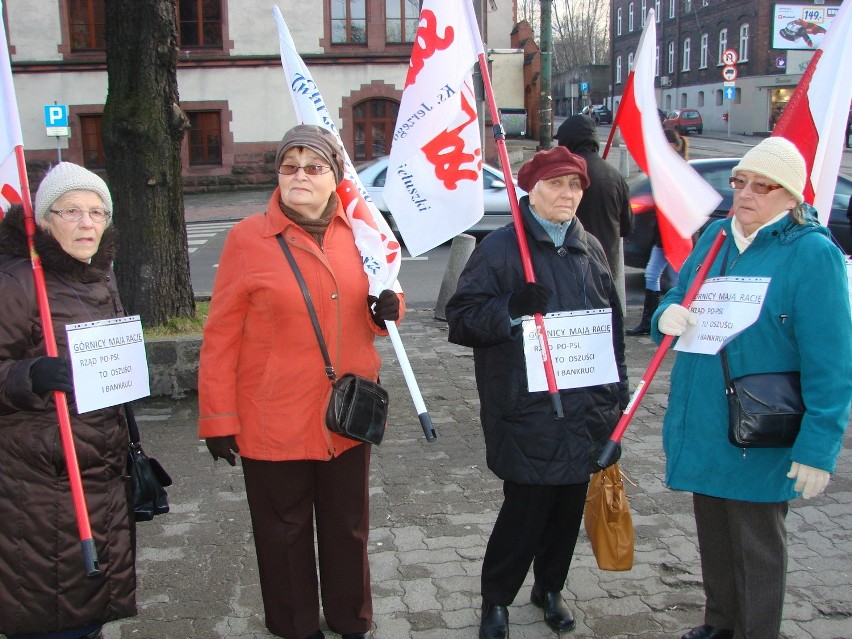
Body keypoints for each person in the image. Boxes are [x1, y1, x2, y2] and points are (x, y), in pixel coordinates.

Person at [198, 124, 402, 639]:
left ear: (335, 177)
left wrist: (386, 313)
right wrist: (218, 418)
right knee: (282, 532)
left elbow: (373, 315)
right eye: (290, 167)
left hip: (346, 413)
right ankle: (295, 627)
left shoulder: (361, 234)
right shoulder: (248, 238)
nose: (300, 176)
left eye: (314, 167)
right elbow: (220, 337)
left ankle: (351, 619)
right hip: (272, 418)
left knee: (348, 528)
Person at [651, 137, 852, 639]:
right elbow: (680, 291)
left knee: (757, 544)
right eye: (740, 182)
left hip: (760, 425)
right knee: (715, 530)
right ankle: (720, 623)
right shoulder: (717, 236)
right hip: (703, 418)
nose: (745, 194)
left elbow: (831, 362)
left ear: (791, 196)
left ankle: (756, 631)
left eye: (762, 186)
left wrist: (819, 447)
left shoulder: (812, 255)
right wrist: (664, 313)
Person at [445, 146, 629, 639]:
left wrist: (619, 400)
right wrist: (510, 307)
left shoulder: (588, 247)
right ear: (532, 188)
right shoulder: (502, 249)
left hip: (584, 407)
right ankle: (496, 598)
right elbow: (461, 319)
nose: (567, 194)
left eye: (575, 186)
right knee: (525, 510)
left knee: (567, 509)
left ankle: (549, 588)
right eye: (556, 184)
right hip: (526, 407)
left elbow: (609, 328)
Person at [0, 163, 136, 639]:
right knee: (50, 612)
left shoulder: (100, 278)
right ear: (44, 219)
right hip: (42, 483)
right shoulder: (17, 282)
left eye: (97, 212)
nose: (86, 223)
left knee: (90, 606)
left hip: (99, 471)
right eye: (71, 211)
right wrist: (27, 375)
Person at [554, 114, 634, 313]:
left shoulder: (562, 175)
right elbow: (627, 226)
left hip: (568, 267)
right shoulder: (614, 175)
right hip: (606, 267)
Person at [627, 129, 688, 335]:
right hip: (663, 235)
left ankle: (674, 320)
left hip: (674, 235)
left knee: (675, 279)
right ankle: (650, 321)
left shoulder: (678, 170)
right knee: (657, 275)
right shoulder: (669, 169)